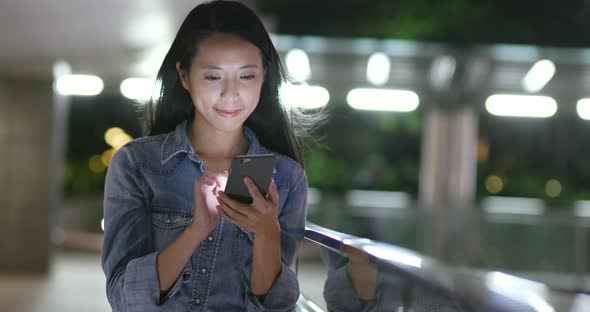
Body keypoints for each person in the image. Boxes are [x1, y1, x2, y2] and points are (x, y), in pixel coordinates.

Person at [101, 1, 312, 311]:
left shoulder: (287, 178)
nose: (230, 94)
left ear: (264, 76)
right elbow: (124, 298)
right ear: (184, 76)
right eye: (213, 77)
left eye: (246, 76)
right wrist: (196, 230)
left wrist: (267, 232)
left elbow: (276, 306)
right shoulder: (137, 165)